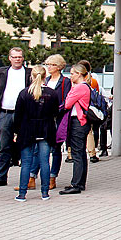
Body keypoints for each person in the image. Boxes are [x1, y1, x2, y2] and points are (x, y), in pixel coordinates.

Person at [12, 65, 61, 202]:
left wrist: (16, 131)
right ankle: (45, 192)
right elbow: (55, 113)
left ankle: (22, 193)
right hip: (46, 129)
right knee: (45, 161)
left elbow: (18, 115)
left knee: (26, 162)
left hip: (27, 129)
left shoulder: (24, 93)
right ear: (45, 76)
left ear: (31, 76)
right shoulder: (52, 93)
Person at [0, 47, 31, 188]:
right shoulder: (1, 72)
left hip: (23, 115)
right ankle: (1, 177)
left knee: (25, 146)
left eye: (20, 57)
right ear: (9, 58)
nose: (17, 59)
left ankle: (26, 178)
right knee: (4, 146)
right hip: (5, 113)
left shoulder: (29, 73)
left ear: (23, 58)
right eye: (14, 57)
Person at [59, 63, 92, 195]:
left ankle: (76, 184)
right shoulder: (86, 86)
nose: (70, 76)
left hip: (77, 121)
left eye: (72, 73)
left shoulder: (79, 87)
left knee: (77, 153)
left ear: (79, 74)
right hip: (82, 122)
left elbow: (67, 104)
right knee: (81, 153)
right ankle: (80, 182)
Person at [42, 54, 70, 190]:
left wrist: (56, 110)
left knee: (56, 148)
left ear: (59, 67)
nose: (49, 67)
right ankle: (35, 176)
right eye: (48, 64)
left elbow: (66, 100)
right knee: (41, 147)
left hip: (58, 117)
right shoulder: (45, 80)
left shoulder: (65, 81)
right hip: (44, 117)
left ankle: (53, 176)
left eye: (52, 65)